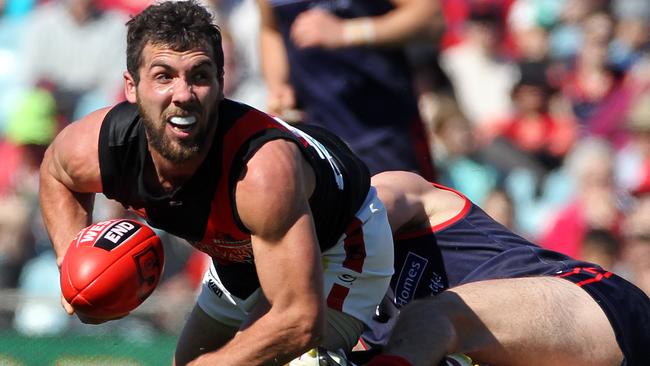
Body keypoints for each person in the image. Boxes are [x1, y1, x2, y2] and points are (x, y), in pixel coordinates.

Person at [38, 2, 394, 365]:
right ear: (131, 87)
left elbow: (299, 319)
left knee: (292, 359)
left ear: (222, 84)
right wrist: (71, 259)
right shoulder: (96, 148)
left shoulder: (260, 172)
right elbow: (55, 172)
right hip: (241, 254)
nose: (183, 94)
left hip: (341, 243)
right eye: (164, 76)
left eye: (200, 76)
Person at [363, 171, 650, 366]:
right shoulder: (346, 332)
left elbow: (372, 205)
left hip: (594, 309)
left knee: (430, 315)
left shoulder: (387, 194)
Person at [257, 0, 437, 179]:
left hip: (386, 125)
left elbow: (430, 16)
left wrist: (347, 32)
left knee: (409, 202)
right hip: (316, 136)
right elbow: (271, 30)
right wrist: (278, 84)